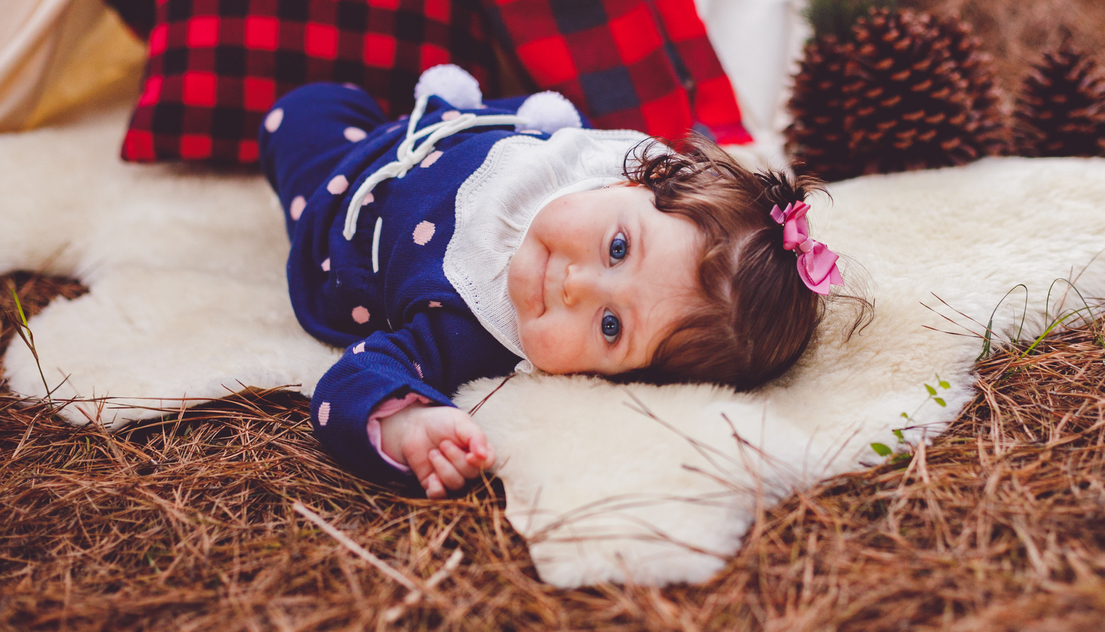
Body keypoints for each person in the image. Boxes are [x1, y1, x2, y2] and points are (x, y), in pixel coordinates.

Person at [260, 65, 844, 499]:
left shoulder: (467, 327)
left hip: (346, 197)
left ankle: (329, 123)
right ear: (633, 187)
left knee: (304, 112)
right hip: (445, 127)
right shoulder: (598, 164)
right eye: (618, 249)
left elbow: (352, 379)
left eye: (610, 327)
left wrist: (407, 421)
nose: (577, 286)